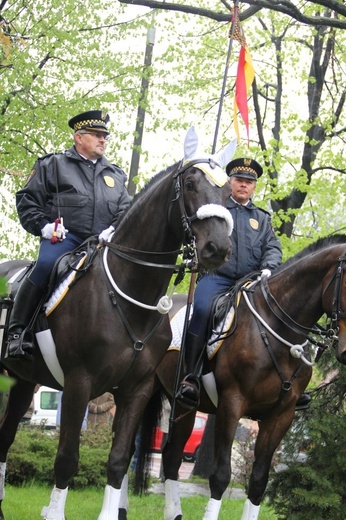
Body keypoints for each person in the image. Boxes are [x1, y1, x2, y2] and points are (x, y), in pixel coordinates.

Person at [176, 157, 311, 411]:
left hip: (252, 281)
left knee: (288, 313)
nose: (243, 185)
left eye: (249, 182)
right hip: (217, 278)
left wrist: (269, 268)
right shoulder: (217, 207)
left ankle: (296, 381)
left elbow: (272, 247)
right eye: (239, 180)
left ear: (254, 187)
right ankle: (190, 376)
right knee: (203, 310)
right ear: (230, 182)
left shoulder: (261, 218)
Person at [6, 110, 132, 362]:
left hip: (102, 243)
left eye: (104, 136)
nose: (103, 140)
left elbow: (126, 208)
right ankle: (17, 332)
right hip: (66, 240)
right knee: (45, 265)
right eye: (97, 135)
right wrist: (44, 226)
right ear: (79, 138)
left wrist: (115, 227)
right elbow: (27, 201)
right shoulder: (52, 165)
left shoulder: (115, 174)